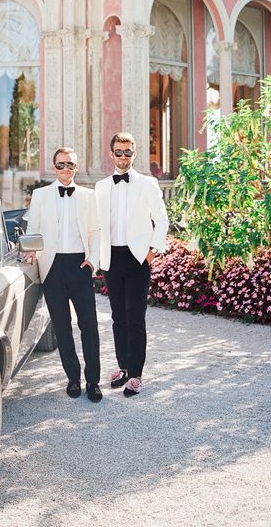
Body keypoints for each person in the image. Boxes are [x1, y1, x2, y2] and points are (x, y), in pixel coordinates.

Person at [94, 132, 169, 397]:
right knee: (118, 317)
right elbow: (97, 225)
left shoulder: (147, 184)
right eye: (119, 152)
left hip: (138, 258)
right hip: (111, 258)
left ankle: (136, 375)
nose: (123, 157)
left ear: (134, 154)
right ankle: (124, 367)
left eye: (128, 152)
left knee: (136, 318)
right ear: (111, 154)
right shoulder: (101, 187)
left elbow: (162, 220)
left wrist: (152, 252)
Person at [25, 147, 102, 402]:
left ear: (76, 168)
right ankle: (73, 378)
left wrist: (93, 261)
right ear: (53, 166)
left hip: (80, 266)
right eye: (61, 165)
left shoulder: (89, 196)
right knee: (62, 327)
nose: (66, 169)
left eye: (70, 165)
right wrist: (31, 253)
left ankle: (93, 381)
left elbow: (95, 231)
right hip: (52, 267)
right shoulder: (40, 195)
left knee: (89, 325)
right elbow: (33, 230)